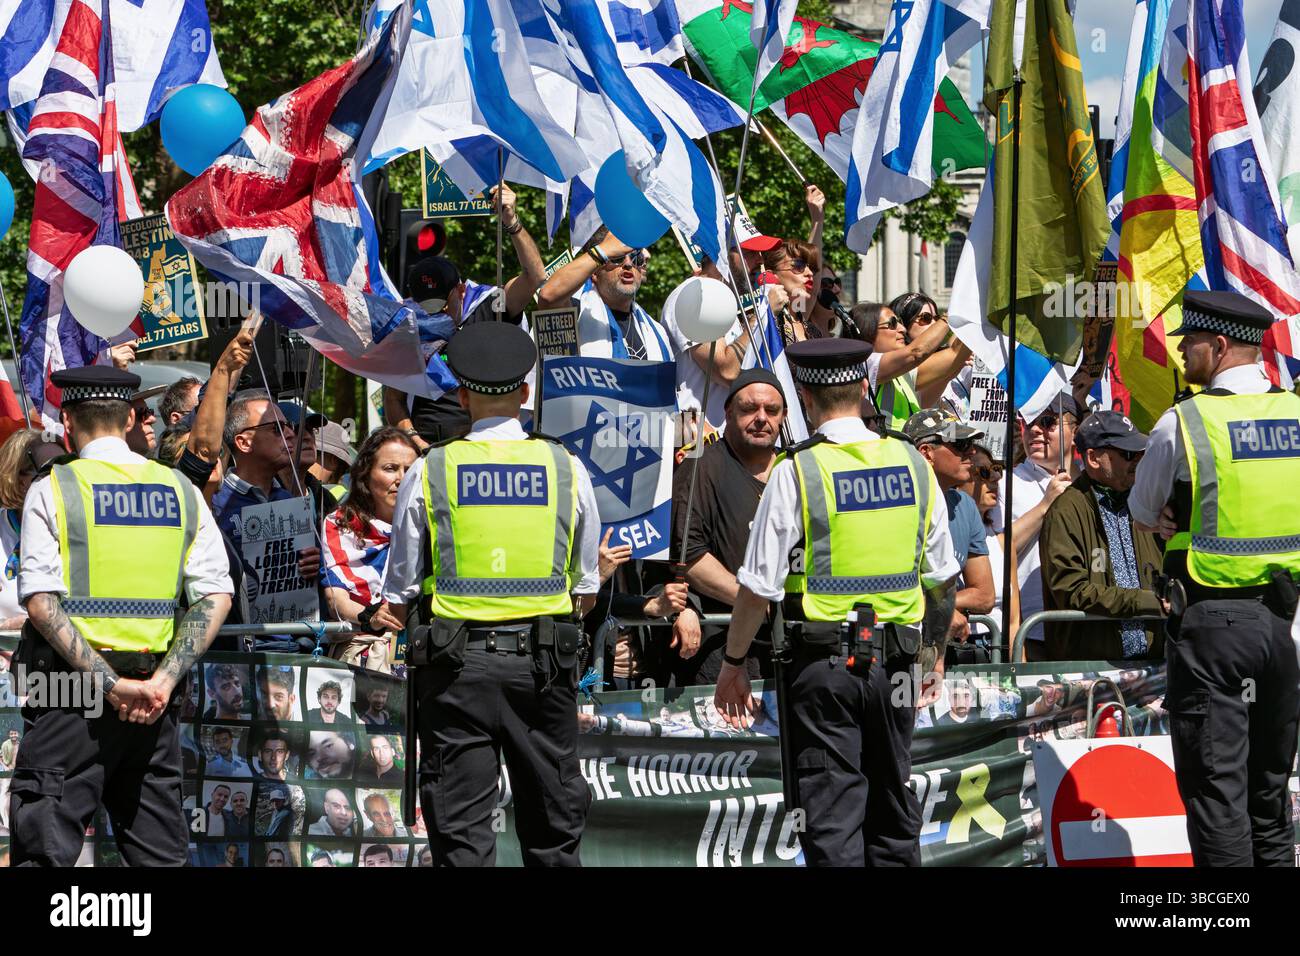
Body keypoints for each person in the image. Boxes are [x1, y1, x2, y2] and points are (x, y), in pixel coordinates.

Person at [713, 339, 959, 867]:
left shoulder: (796, 470)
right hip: (898, 664)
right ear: (866, 388)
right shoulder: (913, 463)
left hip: (825, 667)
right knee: (894, 813)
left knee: (832, 820)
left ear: (803, 397)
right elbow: (942, 581)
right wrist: (932, 656)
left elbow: (758, 586)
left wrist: (733, 662)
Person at [377, 321, 601, 866]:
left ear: (461, 395)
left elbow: (401, 588)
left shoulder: (431, 469)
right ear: (525, 394)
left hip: (456, 672)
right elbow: (587, 586)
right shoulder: (565, 466)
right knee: (552, 825)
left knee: (461, 833)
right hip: (544, 668)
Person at [9, 366, 234, 866]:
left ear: (67, 421)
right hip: (154, 702)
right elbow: (215, 594)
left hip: (70, 694)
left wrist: (109, 686)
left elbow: (42, 602)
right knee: (159, 856)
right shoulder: (179, 489)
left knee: (45, 849)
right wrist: (162, 683)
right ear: (132, 417)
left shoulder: (54, 487)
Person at [1129, 290, 1300, 867]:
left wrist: (1175, 516)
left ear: (1220, 345)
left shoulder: (1185, 422)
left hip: (1213, 628)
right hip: (1282, 628)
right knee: (1269, 796)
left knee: (1216, 794)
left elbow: (1142, 507)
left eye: (1191, 343)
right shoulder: (1297, 413)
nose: (1183, 352)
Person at [671, 369, 788, 685]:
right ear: (728, 411)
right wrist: (754, 603)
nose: (761, 418)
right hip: (721, 647)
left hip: (791, 646)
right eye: (750, 408)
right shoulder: (702, 468)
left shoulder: (795, 469)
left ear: (784, 416)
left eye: (772, 410)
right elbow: (690, 557)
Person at [1040, 411, 1165, 661]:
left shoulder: (1147, 505)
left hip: (1153, 664)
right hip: (1089, 670)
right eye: (1128, 454)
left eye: (1141, 453)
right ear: (1094, 458)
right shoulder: (1066, 511)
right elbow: (1071, 590)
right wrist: (1149, 602)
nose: (1138, 461)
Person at [210, 391, 321, 652]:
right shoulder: (216, 503)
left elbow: (320, 581)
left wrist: (316, 564)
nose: (291, 434)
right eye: (276, 428)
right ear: (244, 442)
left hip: (293, 648)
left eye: (288, 426)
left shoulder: (292, 504)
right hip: (237, 649)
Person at [321, 427, 421, 671]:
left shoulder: (432, 523)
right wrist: (371, 617)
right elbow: (336, 597)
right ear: (366, 475)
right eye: (390, 468)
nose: (401, 478)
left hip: (418, 652)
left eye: (410, 470)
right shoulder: (341, 524)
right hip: (362, 651)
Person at [902, 410, 996, 656]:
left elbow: (985, 596)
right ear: (926, 453)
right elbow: (888, 586)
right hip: (903, 643)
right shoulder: (900, 504)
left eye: (971, 444)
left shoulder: (965, 505)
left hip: (947, 647)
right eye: (960, 444)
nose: (971, 452)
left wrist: (943, 605)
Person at [1003, 394, 1082, 658]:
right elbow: (999, 549)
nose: (1035, 429)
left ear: (1075, 431)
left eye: (1048, 421)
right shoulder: (1006, 483)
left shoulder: (1089, 485)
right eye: (1028, 422)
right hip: (1031, 631)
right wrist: (1045, 505)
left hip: (1082, 628)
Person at [536, 226, 672, 361]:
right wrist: (603, 251)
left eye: (636, 258)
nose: (628, 264)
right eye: (617, 258)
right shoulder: (578, 311)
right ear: (594, 272)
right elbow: (548, 296)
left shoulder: (657, 331)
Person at [852, 300, 970, 432]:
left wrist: (976, 314)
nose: (902, 329)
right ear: (867, 330)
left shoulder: (904, 373)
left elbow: (955, 355)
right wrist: (955, 311)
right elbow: (917, 352)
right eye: (892, 324)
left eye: (900, 322)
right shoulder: (862, 364)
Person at [959, 443, 1021, 644]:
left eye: (996, 470)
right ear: (961, 479)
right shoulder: (944, 532)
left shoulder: (1003, 541)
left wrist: (1017, 668)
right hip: (959, 647)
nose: (995, 479)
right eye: (983, 472)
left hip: (997, 648)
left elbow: (1013, 622)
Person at [0, 430, 59, 631]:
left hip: (55, 656)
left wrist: (31, 622)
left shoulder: (77, 528)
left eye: (64, 469)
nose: (59, 479)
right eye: (46, 471)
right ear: (15, 477)